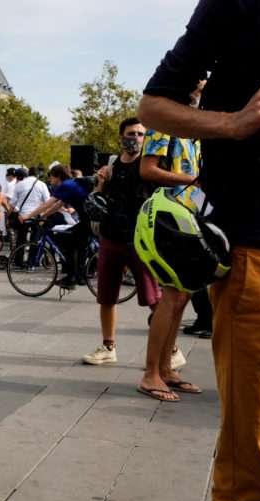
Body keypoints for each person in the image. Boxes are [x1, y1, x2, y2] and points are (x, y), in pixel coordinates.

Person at [138, 1, 260, 501]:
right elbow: (153, 108)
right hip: (251, 249)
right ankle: (156, 369)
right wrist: (232, 123)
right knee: (254, 467)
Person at [137, 95, 206, 401]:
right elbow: (147, 169)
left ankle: (165, 369)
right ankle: (151, 373)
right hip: (169, 217)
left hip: (191, 216)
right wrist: (192, 179)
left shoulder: (198, 128)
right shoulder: (163, 124)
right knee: (172, 295)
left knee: (183, 296)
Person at [81, 118, 166, 366]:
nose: (137, 138)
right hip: (111, 236)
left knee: (153, 298)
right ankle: (108, 347)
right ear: (121, 136)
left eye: (141, 134)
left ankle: (171, 349)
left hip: (140, 239)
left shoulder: (149, 165)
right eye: (132, 133)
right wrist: (100, 182)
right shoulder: (111, 165)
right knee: (106, 296)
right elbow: (97, 200)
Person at [22, 165, 92, 288]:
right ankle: (78, 276)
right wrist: (44, 215)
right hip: (89, 220)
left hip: (88, 221)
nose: (50, 180)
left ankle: (71, 278)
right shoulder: (71, 184)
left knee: (65, 241)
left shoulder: (65, 186)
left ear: (58, 176)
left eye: (51, 177)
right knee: (76, 244)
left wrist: (29, 216)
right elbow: (59, 205)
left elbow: (47, 203)